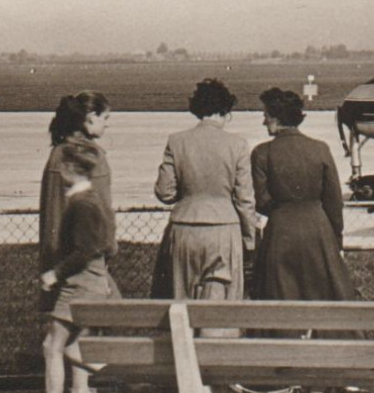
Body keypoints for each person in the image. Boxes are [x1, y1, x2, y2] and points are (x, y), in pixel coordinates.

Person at [17, 142, 120, 393]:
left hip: (78, 284)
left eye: (63, 167)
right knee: (69, 346)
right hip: (93, 280)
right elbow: (109, 246)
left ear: (72, 169)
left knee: (52, 345)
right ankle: (129, 383)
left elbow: (86, 249)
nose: (59, 171)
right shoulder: (96, 200)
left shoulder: (80, 204)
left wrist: (55, 273)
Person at [38, 91, 116, 393]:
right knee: (80, 329)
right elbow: (104, 213)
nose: (107, 125)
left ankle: (77, 392)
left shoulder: (57, 155)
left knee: (65, 331)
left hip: (59, 254)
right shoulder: (90, 157)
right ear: (88, 119)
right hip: (82, 258)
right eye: (104, 118)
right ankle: (82, 390)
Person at [152, 78, 257, 302]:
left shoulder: (176, 141)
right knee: (220, 306)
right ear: (225, 110)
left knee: (181, 301)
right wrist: (249, 240)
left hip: (184, 226)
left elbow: (165, 192)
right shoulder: (237, 144)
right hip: (223, 228)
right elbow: (244, 200)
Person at [249, 87, 356, 301]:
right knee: (324, 295)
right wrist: (337, 240)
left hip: (280, 231)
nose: (264, 122)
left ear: (277, 118)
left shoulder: (262, 153)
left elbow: (261, 202)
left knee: (279, 295)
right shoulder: (320, 149)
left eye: (266, 116)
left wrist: (284, 210)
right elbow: (334, 202)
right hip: (318, 230)